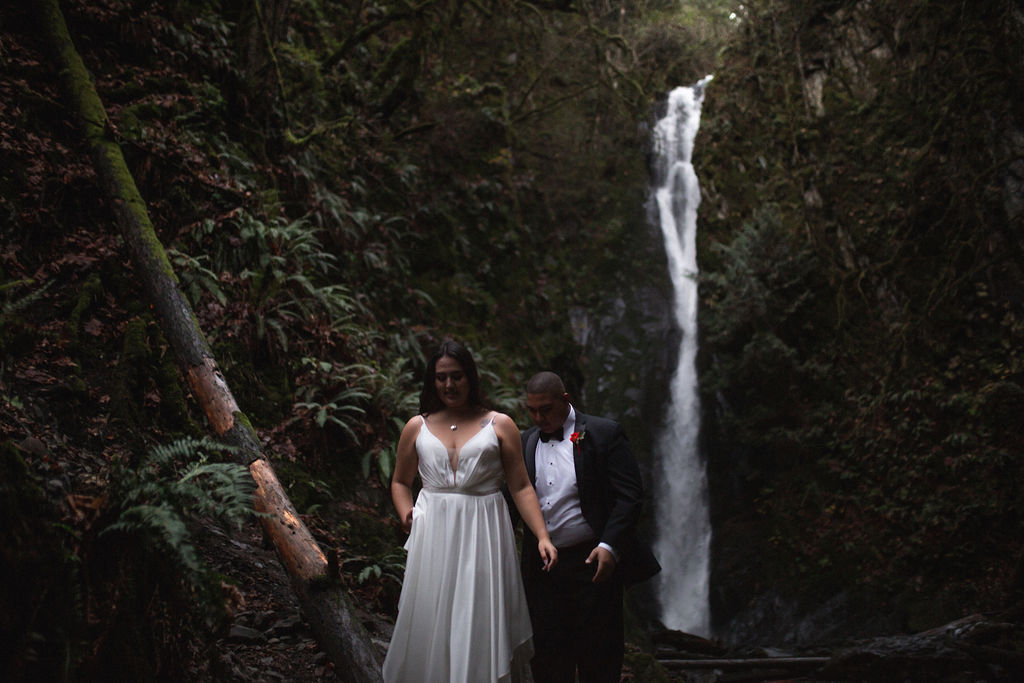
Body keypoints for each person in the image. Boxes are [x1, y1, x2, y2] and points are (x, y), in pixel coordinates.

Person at [383, 341, 558, 683]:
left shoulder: (500, 425)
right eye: (441, 378)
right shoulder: (415, 427)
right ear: (432, 382)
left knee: (477, 616)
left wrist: (541, 536)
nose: (449, 385)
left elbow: (521, 486)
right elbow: (400, 481)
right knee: (432, 616)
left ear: (471, 377)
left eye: (457, 376)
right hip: (432, 534)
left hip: (485, 534)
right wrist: (406, 515)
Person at [517, 371, 661, 683]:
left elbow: (630, 495)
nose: (539, 417)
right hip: (543, 570)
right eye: (532, 410)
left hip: (593, 564)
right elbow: (513, 497)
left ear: (565, 400)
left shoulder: (603, 433)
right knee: (549, 658)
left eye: (546, 409)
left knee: (600, 656)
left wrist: (609, 545)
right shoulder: (524, 442)